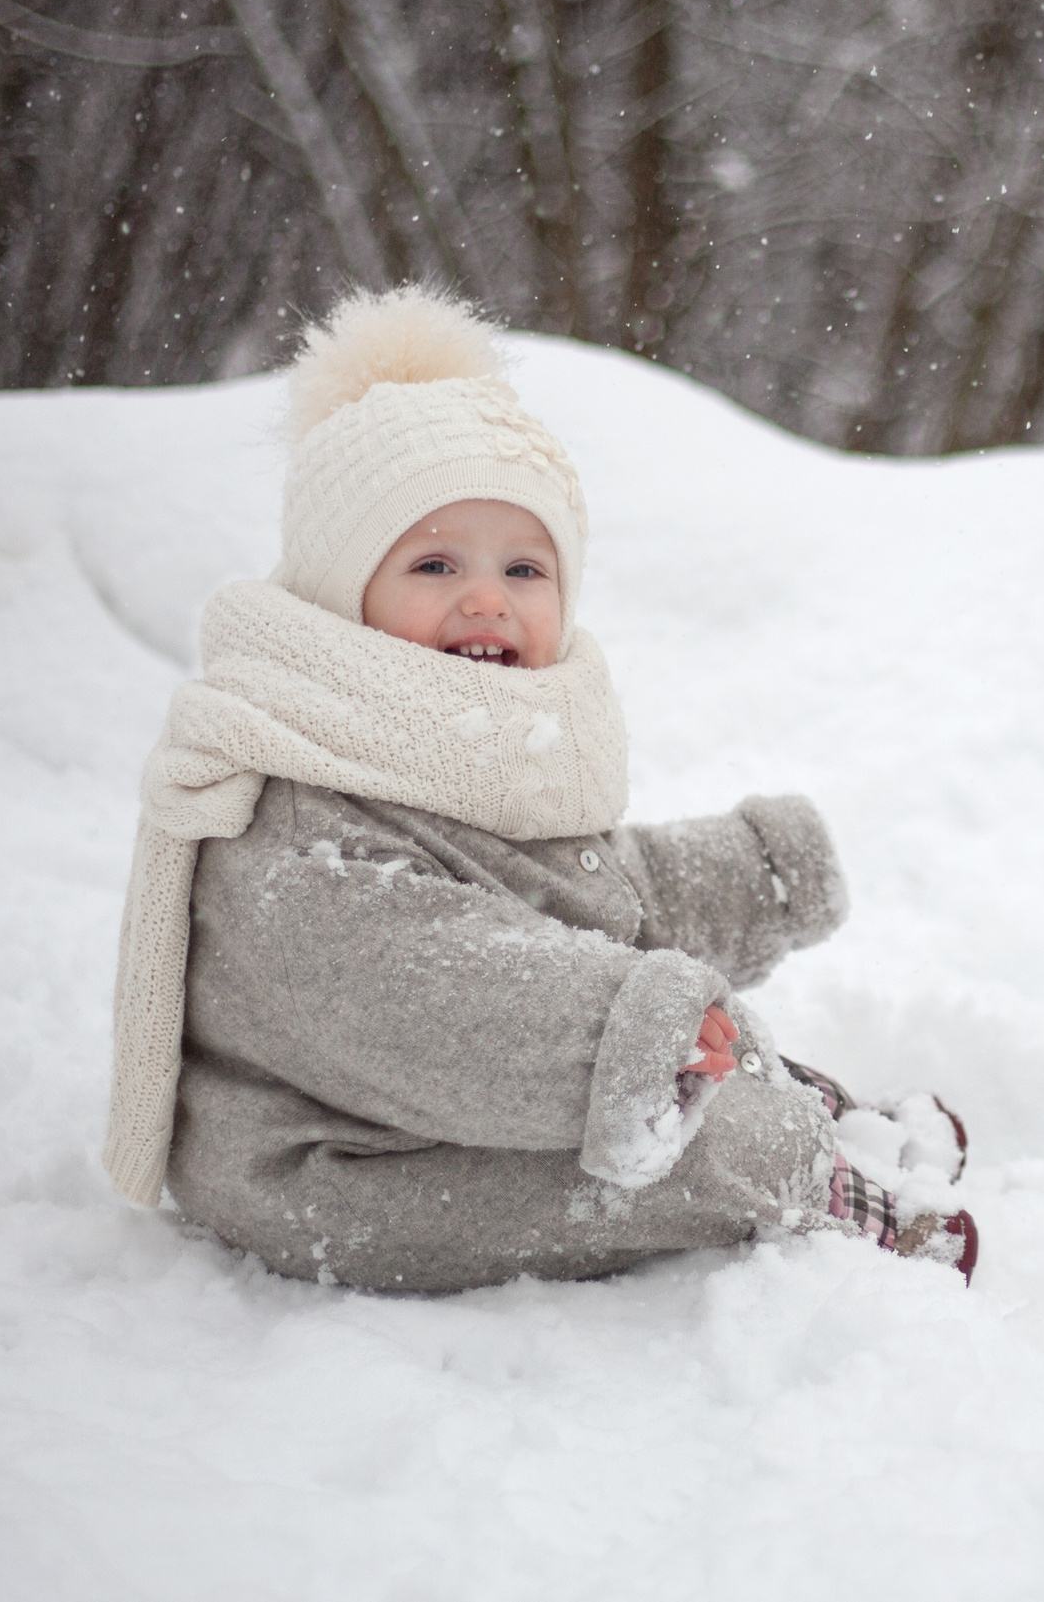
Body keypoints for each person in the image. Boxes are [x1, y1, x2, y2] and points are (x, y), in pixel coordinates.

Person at [99, 286, 974, 1292]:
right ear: (339, 596)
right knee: (689, 1146)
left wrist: (752, 876)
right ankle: (822, 1186)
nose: (487, 597)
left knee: (700, 1072)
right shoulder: (300, 813)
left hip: (442, 1100)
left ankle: (799, 1110)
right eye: (434, 563)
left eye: (524, 567)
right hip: (337, 1164)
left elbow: (571, 895)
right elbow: (426, 991)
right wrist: (626, 1032)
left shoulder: (429, 735)